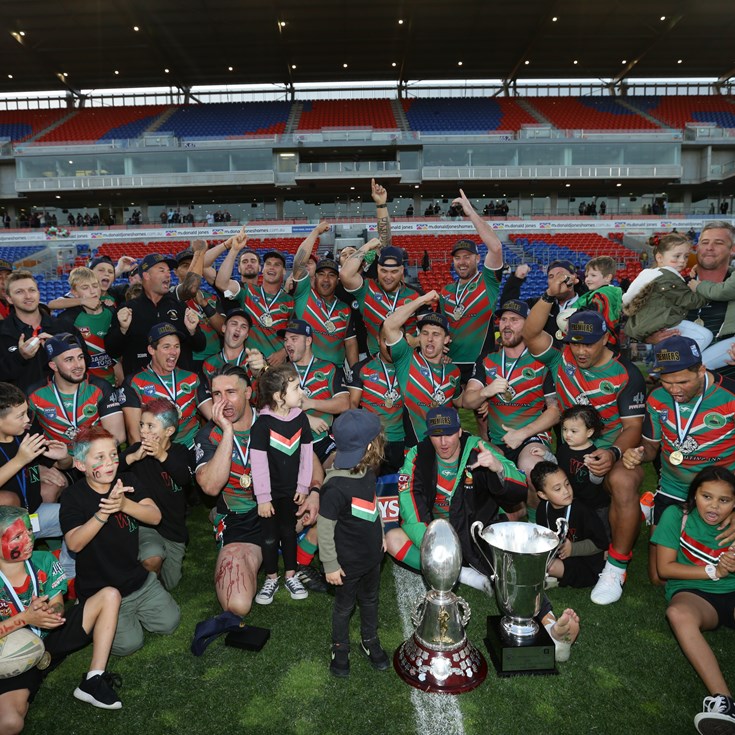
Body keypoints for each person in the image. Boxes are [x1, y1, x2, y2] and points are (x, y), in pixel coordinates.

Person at [523, 279, 647, 606]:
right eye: (574, 343)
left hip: (610, 454)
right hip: (570, 453)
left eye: (589, 344)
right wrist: (548, 295)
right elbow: (531, 334)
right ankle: (542, 541)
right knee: (537, 475)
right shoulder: (560, 358)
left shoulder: (626, 373)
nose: (580, 351)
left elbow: (633, 426)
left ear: (605, 338)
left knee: (622, 483)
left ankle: (616, 567)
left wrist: (613, 452)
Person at [195, 365, 321, 619]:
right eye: (217, 394)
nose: (223, 401)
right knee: (238, 604)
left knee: (336, 503)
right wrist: (227, 431)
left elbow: (312, 464)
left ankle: (300, 558)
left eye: (231, 392)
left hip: (283, 503)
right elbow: (210, 486)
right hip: (242, 518)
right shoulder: (209, 434)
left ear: (248, 393)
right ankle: (224, 521)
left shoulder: (277, 417)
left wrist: (314, 493)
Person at [622, 336, 735, 584]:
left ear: (701, 370)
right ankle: (656, 508)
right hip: (673, 489)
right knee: (659, 578)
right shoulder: (656, 398)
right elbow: (651, 448)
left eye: (683, 381)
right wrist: (637, 453)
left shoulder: (730, 396)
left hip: (720, 495)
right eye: (666, 382)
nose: (674, 390)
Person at [60, 426, 180, 656]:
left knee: (170, 622)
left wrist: (124, 504)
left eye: (113, 454)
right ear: (81, 465)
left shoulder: (127, 479)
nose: (110, 462)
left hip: (137, 580)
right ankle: (88, 609)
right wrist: (104, 512)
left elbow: (155, 517)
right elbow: (74, 544)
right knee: (128, 645)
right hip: (101, 590)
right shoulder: (72, 497)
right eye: (99, 457)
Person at [0, 507, 123, 728]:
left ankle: (94, 679)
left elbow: (58, 603)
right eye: (18, 536)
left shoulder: (44, 559)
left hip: (50, 636)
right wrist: (25, 618)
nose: (28, 539)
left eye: (29, 531)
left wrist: (51, 613)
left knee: (110, 595)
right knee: (11, 722)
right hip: (15, 653)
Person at [385, 406, 526, 589]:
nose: (443, 442)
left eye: (449, 434)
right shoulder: (417, 455)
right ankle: (461, 574)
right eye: (436, 435)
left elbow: (520, 485)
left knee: (515, 515)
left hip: (474, 530)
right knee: (392, 539)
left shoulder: (478, 449)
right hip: (437, 533)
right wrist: (433, 542)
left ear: (460, 431)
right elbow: (409, 503)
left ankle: (457, 562)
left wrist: (499, 467)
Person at [650, 467, 735, 735]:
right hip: (693, 592)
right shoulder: (677, 516)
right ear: (694, 495)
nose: (714, 506)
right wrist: (714, 571)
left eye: (724, 500)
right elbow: (665, 568)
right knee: (678, 614)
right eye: (706, 496)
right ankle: (724, 703)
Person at [463, 299, 559, 511]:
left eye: (514, 320)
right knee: (473, 468)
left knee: (531, 469)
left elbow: (555, 411)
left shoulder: (542, 362)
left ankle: (536, 525)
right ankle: (511, 513)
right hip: (497, 442)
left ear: (528, 325)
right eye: (503, 319)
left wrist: (521, 434)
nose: (506, 325)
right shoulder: (487, 360)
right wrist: (486, 392)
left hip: (532, 438)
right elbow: (467, 401)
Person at [317, 409, 388, 677]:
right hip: (346, 564)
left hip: (371, 558)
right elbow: (324, 527)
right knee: (344, 607)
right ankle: (340, 645)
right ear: (370, 446)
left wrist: (381, 533)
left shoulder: (367, 471)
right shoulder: (334, 486)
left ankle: (369, 639)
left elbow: (373, 505)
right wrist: (330, 565)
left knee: (370, 600)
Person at [250, 364, 313, 605]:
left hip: (292, 492)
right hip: (269, 495)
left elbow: (307, 455)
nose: (302, 392)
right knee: (268, 537)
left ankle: (290, 575)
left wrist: (303, 486)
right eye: (296, 388)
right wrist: (263, 498)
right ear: (279, 396)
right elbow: (258, 464)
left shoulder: (301, 418)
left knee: (288, 532)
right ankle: (271, 578)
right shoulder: (262, 425)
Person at [121, 398, 194, 590]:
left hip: (174, 531)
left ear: (169, 431)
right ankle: (142, 586)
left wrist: (162, 455)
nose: (143, 431)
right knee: (152, 558)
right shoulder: (135, 451)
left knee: (170, 583)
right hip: (144, 526)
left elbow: (185, 477)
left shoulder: (180, 452)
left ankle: (140, 573)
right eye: (141, 425)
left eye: (150, 426)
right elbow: (112, 470)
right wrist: (132, 457)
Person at [28, 333, 125, 473]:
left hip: (98, 459)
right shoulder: (35, 394)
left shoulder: (99, 387)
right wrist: (42, 466)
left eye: (80, 357)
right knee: (48, 486)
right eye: (69, 360)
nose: (78, 365)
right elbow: (21, 437)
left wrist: (84, 461)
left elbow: (118, 436)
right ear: (53, 366)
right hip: (59, 464)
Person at [440, 189, 504, 385]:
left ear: (477, 258)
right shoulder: (446, 292)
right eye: (457, 258)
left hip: (480, 362)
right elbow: (440, 328)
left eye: (467, 257)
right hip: (449, 363)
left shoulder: (487, 281)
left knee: (478, 405)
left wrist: (470, 213)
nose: (462, 262)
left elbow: (496, 247)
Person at [105, 253, 206, 376]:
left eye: (168, 271)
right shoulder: (128, 309)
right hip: (140, 383)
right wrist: (122, 330)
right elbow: (112, 351)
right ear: (146, 276)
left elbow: (200, 346)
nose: (168, 275)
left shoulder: (180, 306)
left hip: (177, 382)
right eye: (161, 270)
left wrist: (193, 331)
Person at [382, 292, 462, 446]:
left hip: (445, 447)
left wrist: (483, 399)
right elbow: (389, 326)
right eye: (425, 333)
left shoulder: (454, 371)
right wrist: (422, 300)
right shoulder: (406, 358)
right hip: (414, 448)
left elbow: (460, 401)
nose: (429, 339)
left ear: (446, 339)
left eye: (436, 334)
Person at [121, 323, 212, 449]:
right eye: (166, 347)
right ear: (151, 350)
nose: (173, 352)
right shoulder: (134, 382)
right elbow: (134, 435)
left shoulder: (192, 378)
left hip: (192, 447)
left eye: (177, 346)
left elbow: (213, 416)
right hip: (154, 450)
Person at [215, 229, 293, 366]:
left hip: (278, 365)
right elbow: (221, 283)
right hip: (249, 364)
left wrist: (284, 352)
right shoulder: (248, 291)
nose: (272, 267)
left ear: (284, 271)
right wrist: (234, 250)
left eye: (277, 265)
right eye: (268, 264)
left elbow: (297, 334)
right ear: (262, 269)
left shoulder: (290, 301)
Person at [623, 232, 712, 351]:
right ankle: (685, 361)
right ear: (659, 258)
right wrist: (704, 289)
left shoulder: (652, 274)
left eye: (686, 256)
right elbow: (691, 301)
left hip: (649, 324)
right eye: (677, 256)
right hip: (661, 324)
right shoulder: (667, 278)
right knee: (704, 336)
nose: (682, 261)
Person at [280, 319, 349, 469]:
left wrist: (310, 403)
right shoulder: (280, 372)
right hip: (289, 442)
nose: (288, 344)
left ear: (308, 341)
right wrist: (305, 419)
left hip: (322, 441)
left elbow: (344, 404)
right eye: (286, 340)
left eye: (294, 339)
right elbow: (271, 407)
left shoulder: (329, 368)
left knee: (340, 468)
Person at [290, 222, 358, 369]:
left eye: (331, 275)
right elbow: (298, 262)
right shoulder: (304, 294)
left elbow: (350, 343)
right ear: (314, 276)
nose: (326, 279)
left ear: (338, 280)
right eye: (321, 274)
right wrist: (316, 231)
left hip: (335, 374)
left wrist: (355, 372)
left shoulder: (345, 309)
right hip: (304, 372)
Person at [530, 462, 607, 589]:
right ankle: (551, 576)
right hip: (560, 557)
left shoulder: (583, 510)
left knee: (550, 566)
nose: (566, 491)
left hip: (586, 564)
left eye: (567, 484)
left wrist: (573, 549)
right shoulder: (542, 510)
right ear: (543, 495)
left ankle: (554, 577)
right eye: (557, 489)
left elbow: (601, 543)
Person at [54, 267, 119, 387]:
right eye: (85, 288)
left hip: (112, 382)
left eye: (95, 286)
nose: (92, 291)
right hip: (84, 387)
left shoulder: (111, 311)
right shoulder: (68, 318)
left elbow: (119, 352)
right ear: (74, 292)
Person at [556, 405, 610, 531]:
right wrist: (546, 455)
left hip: (595, 505)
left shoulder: (594, 454)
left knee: (599, 531)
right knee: (578, 530)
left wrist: (593, 469)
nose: (567, 434)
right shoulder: (563, 448)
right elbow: (558, 466)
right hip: (574, 501)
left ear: (589, 432)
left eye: (574, 431)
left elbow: (597, 481)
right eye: (564, 429)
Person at [571, 256, 623, 350]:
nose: (587, 279)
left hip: (598, 344)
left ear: (607, 278)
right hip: (608, 342)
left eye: (593, 275)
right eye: (586, 276)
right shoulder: (609, 292)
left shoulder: (602, 295)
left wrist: (572, 316)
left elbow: (592, 312)